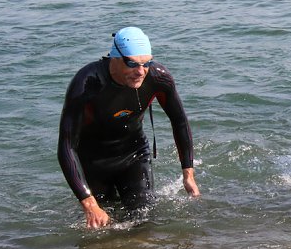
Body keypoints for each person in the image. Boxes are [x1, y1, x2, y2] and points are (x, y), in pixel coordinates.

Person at [57, 27, 200, 229]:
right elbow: (66, 145)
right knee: (101, 228)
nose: (140, 71)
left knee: (144, 219)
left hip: (134, 154)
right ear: (114, 58)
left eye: (146, 63)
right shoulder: (87, 83)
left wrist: (188, 173)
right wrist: (89, 203)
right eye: (132, 63)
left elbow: (179, 121)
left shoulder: (158, 78)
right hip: (93, 162)